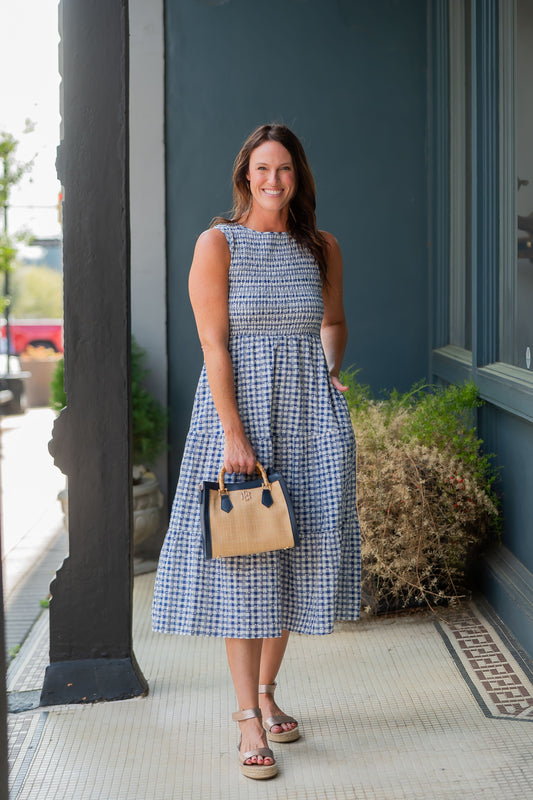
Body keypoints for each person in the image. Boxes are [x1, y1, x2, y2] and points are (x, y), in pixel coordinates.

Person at [152, 123, 361, 780]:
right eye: (261, 169)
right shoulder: (219, 244)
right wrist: (234, 435)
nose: (272, 181)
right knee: (245, 566)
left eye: (285, 170)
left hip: (310, 418)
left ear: (298, 178)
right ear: (245, 175)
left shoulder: (320, 247)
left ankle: (268, 694)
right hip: (236, 418)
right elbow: (215, 344)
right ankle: (246, 715)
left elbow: (332, 322)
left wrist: (328, 374)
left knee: (297, 558)